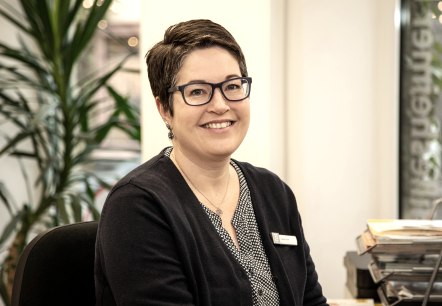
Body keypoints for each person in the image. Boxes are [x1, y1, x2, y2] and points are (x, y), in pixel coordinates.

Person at [94, 19, 328, 306]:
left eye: (232, 86)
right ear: (165, 109)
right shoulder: (138, 204)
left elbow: (311, 301)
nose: (220, 105)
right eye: (197, 91)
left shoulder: (273, 192)